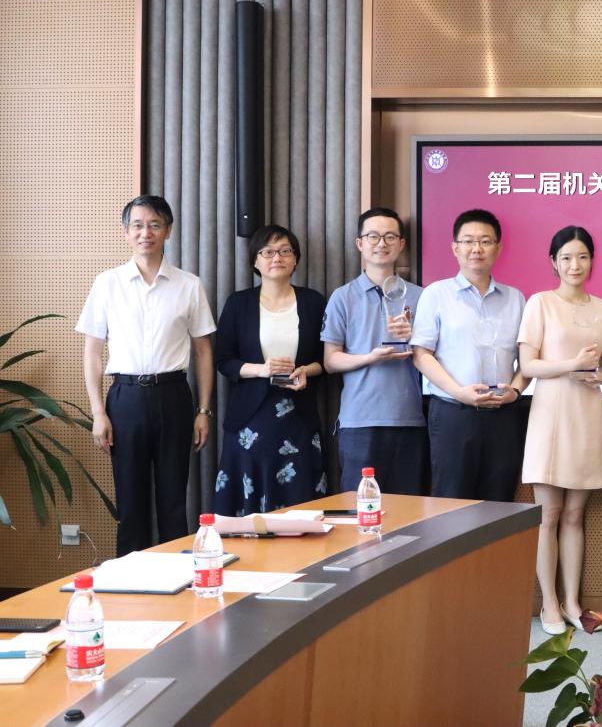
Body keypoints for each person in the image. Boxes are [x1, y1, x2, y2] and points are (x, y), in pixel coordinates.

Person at [77, 195, 216, 556]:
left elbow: (203, 351)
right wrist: (98, 413)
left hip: (174, 396)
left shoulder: (189, 285)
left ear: (168, 230)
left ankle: (180, 580)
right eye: (137, 225)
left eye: (155, 225)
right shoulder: (107, 283)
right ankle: (130, 583)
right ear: (126, 232)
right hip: (125, 399)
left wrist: (203, 411)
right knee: (130, 505)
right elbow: (92, 353)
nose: (146, 233)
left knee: (173, 502)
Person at [518, 226, 602, 636]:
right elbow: (529, 365)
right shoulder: (540, 303)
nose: (576, 265)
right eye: (567, 257)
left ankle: (573, 601)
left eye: (583, 256)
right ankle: (549, 603)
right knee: (549, 515)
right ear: (554, 262)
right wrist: (571, 365)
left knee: (575, 515)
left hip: (587, 410)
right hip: (551, 411)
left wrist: (599, 374)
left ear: (592, 260)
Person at [411, 209, 527, 502]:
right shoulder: (436, 294)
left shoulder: (515, 298)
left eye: (485, 241)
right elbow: (421, 354)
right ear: (455, 248)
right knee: (452, 501)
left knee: (499, 502)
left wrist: (515, 391)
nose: (477, 249)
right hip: (453, 413)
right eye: (468, 241)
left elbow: (527, 361)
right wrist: (459, 392)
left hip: (503, 416)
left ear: (498, 248)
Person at [213, 225, 327, 516]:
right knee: (248, 508)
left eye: (285, 251)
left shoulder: (313, 302)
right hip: (250, 418)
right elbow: (223, 360)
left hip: (299, 416)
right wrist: (261, 370)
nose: (277, 257)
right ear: (255, 260)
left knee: (300, 502)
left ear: (296, 259)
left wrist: (306, 370)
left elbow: (325, 359)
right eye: (268, 252)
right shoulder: (238, 303)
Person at [322, 207, 428, 495]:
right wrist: (370, 357)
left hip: (409, 418)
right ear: (360, 243)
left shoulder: (422, 296)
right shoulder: (342, 297)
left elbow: (435, 355)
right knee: (361, 507)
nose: (382, 243)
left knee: (411, 509)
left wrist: (414, 337)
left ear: (401, 244)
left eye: (390, 236)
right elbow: (330, 360)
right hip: (359, 421)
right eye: (373, 236)